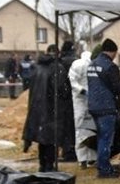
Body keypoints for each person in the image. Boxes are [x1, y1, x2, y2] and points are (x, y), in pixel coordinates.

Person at [22, 44, 68, 172]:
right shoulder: (57, 69)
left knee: (43, 139)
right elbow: (63, 91)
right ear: (58, 54)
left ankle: (43, 164)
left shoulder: (37, 68)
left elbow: (30, 87)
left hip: (38, 108)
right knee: (52, 138)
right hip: (52, 109)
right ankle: (49, 165)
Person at [86, 38, 120, 179]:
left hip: (93, 106)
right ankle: (104, 169)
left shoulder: (92, 64)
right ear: (113, 52)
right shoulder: (110, 66)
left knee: (101, 137)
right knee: (106, 138)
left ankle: (103, 165)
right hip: (106, 106)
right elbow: (118, 88)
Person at [68, 46, 96, 167]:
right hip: (81, 100)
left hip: (83, 100)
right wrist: (82, 91)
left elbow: (72, 80)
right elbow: (73, 81)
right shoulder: (81, 65)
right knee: (85, 129)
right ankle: (85, 158)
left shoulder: (79, 64)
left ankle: (86, 158)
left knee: (84, 129)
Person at [56, 41, 78, 162]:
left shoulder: (61, 63)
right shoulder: (76, 61)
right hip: (76, 98)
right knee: (73, 126)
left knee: (65, 127)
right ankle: (73, 150)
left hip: (64, 100)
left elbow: (59, 83)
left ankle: (67, 152)